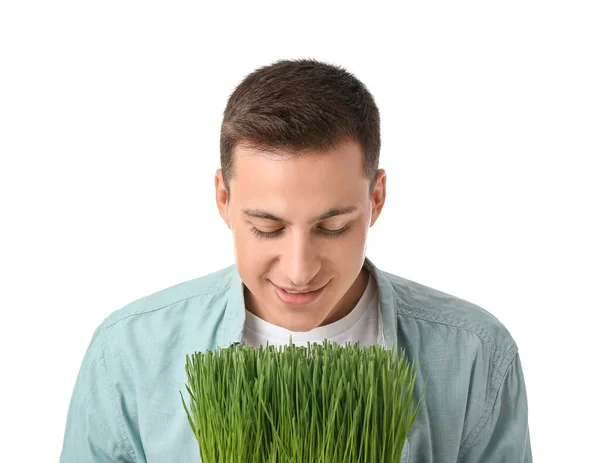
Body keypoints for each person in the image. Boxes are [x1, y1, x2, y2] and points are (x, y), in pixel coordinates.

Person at [59, 58, 532, 462]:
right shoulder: (127, 354)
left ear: (377, 199)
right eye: (267, 228)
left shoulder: (475, 355)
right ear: (223, 198)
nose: (299, 269)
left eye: (333, 227)